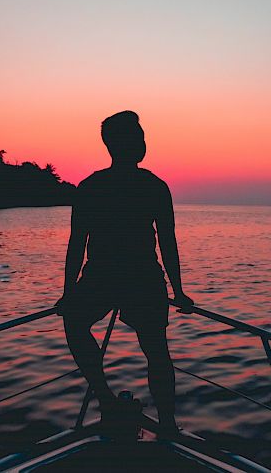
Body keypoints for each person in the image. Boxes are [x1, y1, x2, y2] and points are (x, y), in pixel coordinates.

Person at [56, 110, 193, 435]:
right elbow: (168, 244)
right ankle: (167, 425)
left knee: (76, 324)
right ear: (125, 144)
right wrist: (178, 291)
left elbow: (77, 244)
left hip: (106, 278)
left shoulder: (90, 187)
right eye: (139, 136)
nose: (144, 142)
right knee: (156, 350)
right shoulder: (154, 186)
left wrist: (69, 290)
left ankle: (106, 399)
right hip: (139, 279)